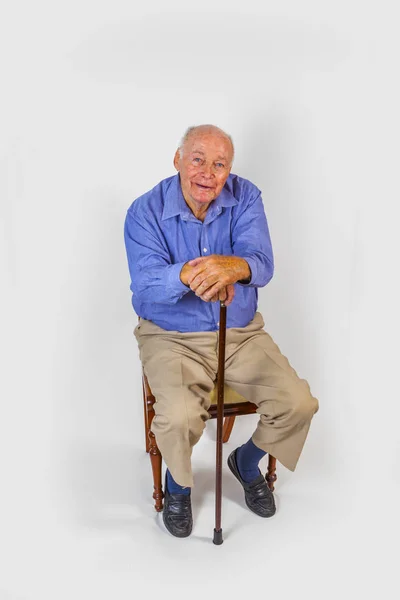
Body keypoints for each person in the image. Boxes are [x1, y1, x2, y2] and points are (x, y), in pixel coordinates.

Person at [124, 124, 319, 538]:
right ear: (178, 159)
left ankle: (245, 462)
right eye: (198, 159)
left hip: (241, 332)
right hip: (171, 336)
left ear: (229, 170)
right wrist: (196, 273)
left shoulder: (246, 196)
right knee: (177, 417)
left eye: (219, 164)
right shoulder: (144, 211)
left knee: (298, 403)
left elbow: (261, 263)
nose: (208, 173)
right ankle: (178, 486)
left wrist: (236, 267)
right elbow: (146, 285)